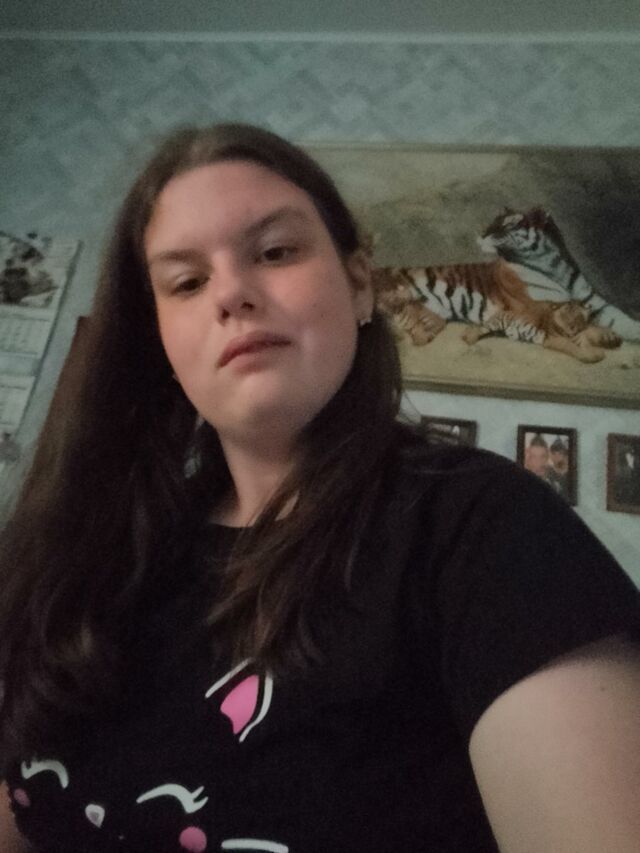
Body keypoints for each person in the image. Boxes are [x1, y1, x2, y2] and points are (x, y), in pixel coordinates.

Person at [0, 124, 639, 853]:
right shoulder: (98, 549)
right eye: (186, 282)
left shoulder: (484, 529)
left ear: (361, 283)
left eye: (275, 252)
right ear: (162, 343)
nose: (231, 293)